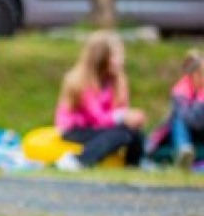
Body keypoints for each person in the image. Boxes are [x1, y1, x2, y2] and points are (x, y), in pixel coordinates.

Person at [53, 30, 146, 171]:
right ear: (101, 58)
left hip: (100, 128)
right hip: (75, 129)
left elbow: (120, 110)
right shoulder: (82, 82)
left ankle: (133, 167)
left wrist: (131, 119)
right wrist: (122, 117)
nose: (121, 60)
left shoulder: (117, 80)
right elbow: (98, 118)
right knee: (120, 135)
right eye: (116, 55)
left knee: (134, 133)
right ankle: (78, 160)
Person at [155, 50, 202, 170]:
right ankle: (183, 150)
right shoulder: (181, 90)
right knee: (178, 120)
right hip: (180, 132)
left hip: (199, 132)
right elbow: (185, 116)